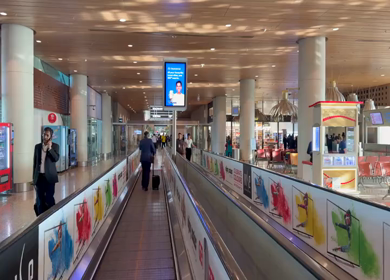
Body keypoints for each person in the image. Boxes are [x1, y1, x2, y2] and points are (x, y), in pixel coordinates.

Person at [33, 127, 60, 215]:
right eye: (44, 134)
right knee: (40, 199)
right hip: (40, 177)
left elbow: (56, 158)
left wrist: (50, 148)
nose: (45, 136)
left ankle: (52, 216)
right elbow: (35, 163)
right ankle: (40, 219)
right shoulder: (37, 147)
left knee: (49, 198)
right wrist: (34, 178)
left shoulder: (55, 146)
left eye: (47, 135)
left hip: (50, 178)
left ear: (51, 136)